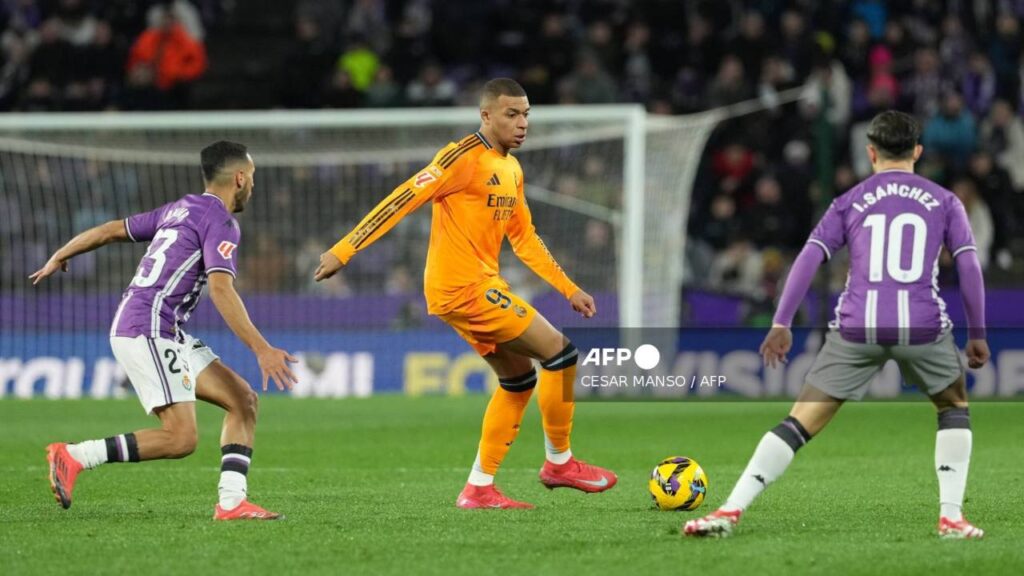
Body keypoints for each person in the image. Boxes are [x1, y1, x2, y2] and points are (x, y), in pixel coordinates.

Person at [683, 111, 989, 539]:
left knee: (797, 423)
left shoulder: (849, 201)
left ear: (870, 153)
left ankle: (730, 510)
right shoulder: (945, 200)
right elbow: (970, 267)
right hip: (922, 325)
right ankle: (952, 517)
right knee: (953, 408)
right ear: (917, 151)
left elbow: (809, 256)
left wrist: (781, 321)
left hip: (857, 326)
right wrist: (977, 334)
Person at [314, 78, 617, 509]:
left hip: (475, 287)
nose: (522, 123)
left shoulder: (511, 169)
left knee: (518, 380)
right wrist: (346, 249)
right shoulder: (462, 157)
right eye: (511, 114)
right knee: (561, 354)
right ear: (486, 115)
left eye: (526, 113)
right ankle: (559, 464)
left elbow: (525, 238)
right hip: (464, 288)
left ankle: (479, 487)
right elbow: (403, 197)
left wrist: (569, 288)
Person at [32, 141, 297, 520]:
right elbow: (222, 290)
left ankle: (232, 503)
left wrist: (62, 253)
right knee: (181, 438)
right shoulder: (221, 221)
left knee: (243, 400)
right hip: (148, 326)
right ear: (239, 178)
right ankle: (74, 455)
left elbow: (110, 230)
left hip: (162, 327)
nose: (252, 186)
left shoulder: (180, 208)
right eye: (251, 178)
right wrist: (261, 348)